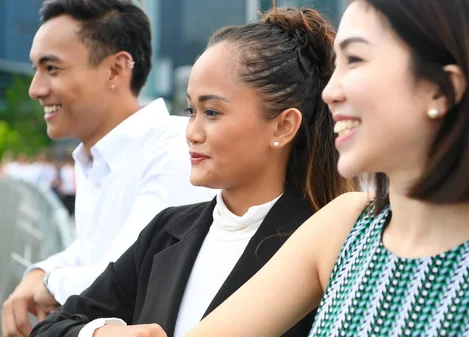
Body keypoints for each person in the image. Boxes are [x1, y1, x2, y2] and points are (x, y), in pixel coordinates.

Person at [124, 0, 469, 336]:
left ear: (441, 90)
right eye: (335, 66)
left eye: (355, 60)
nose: (330, 92)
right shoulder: (344, 227)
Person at [29, 7, 358, 337]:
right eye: (191, 111)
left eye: (212, 112)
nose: (192, 132)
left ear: (283, 126)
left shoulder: (323, 244)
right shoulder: (166, 232)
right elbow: (51, 328)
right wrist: (101, 334)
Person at [1, 1, 214, 336]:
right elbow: (91, 249)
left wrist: (48, 284)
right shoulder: (95, 158)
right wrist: (38, 272)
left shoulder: (174, 148)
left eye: (52, 69)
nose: (36, 89)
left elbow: (124, 272)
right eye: (35, 70)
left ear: (116, 70)